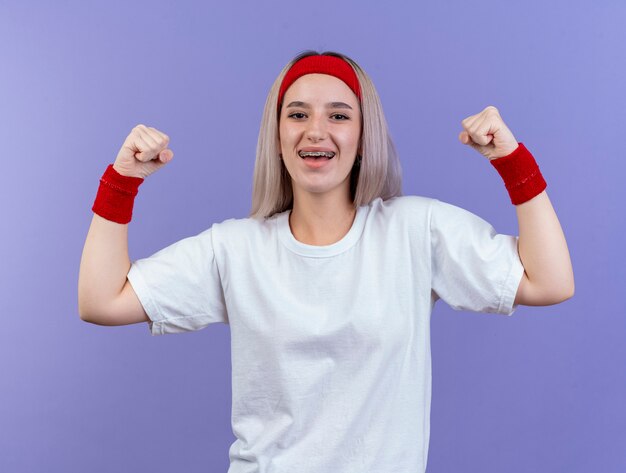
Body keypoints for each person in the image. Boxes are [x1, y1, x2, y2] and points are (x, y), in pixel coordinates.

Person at [78, 50, 574, 473]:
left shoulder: (416, 231)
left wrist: (513, 162)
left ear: (363, 136)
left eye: (338, 115)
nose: (316, 130)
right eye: (297, 114)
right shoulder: (235, 248)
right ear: (276, 134)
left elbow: (549, 282)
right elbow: (102, 301)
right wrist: (123, 179)